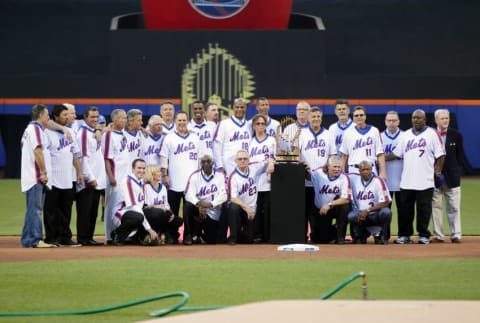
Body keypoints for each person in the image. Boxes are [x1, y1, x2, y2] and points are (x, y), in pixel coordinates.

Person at [391, 109, 445, 244]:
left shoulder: (432, 134)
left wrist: (438, 171)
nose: (416, 120)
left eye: (419, 118)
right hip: (407, 180)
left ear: (425, 119)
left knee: (424, 210)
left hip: (425, 180)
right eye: (414, 118)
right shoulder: (405, 135)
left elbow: (441, 154)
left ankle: (423, 235)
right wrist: (379, 157)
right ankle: (404, 235)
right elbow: (397, 153)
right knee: (405, 211)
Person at [43, 104, 83, 247]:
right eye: (64, 115)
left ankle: (65, 237)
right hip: (53, 177)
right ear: (56, 117)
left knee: (65, 210)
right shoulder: (47, 131)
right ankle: (51, 238)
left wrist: (79, 172)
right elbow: (47, 123)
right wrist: (62, 128)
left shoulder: (71, 132)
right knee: (51, 210)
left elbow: (76, 154)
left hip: (67, 177)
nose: (67, 118)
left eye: (68, 115)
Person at [160, 110, 201, 244]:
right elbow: (164, 159)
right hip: (174, 181)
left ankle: (189, 235)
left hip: (192, 182)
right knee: (173, 210)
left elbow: (200, 159)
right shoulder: (169, 138)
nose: (182, 123)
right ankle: (172, 235)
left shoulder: (195, 137)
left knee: (190, 211)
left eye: (184, 120)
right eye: (179, 120)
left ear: (188, 122)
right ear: (175, 122)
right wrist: (165, 175)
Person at [20, 104, 56, 248]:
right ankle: (35, 239)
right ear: (40, 115)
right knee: (35, 209)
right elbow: (37, 151)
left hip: (31, 175)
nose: (48, 117)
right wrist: (43, 172)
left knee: (32, 209)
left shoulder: (31, 129)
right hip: (35, 176)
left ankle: (27, 239)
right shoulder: (35, 129)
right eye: (47, 114)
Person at [298, 107, 336, 242]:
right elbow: (296, 154)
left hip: (322, 180)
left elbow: (332, 156)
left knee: (317, 211)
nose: (315, 119)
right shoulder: (301, 134)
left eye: (318, 117)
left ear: (321, 118)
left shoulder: (328, 135)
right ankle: (301, 236)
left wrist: (328, 166)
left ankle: (316, 236)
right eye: (313, 117)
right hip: (305, 178)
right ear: (308, 118)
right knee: (304, 210)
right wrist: (303, 165)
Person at [227, 150, 275, 245]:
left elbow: (269, 159)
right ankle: (233, 236)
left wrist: (271, 163)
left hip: (252, 211)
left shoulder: (254, 167)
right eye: (240, 159)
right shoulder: (233, 176)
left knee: (249, 240)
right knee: (233, 207)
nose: (242, 161)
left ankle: (240, 234)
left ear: (249, 160)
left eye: (245, 159)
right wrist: (246, 207)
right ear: (236, 161)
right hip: (241, 209)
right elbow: (233, 198)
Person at [431, 108, 464, 243]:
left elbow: (459, 156)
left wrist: (457, 172)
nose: (445, 120)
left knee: (454, 207)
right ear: (436, 120)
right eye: (442, 118)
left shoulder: (456, 135)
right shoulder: (430, 134)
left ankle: (456, 234)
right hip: (434, 177)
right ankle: (439, 235)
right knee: (435, 207)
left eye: (447, 118)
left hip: (452, 177)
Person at [75, 106, 106, 245]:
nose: (95, 119)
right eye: (92, 117)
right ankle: (83, 238)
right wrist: (90, 177)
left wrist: (99, 129)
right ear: (85, 118)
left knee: (93, 211)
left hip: (97, 179)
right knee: (85, 211)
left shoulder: (93, 131)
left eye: (96, 117)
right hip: (88, 180)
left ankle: (89, 237)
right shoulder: (83, 133)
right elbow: (83, 158)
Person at [110, 159, 159, 245]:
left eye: (143, 168)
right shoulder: (128, 181)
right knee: (138, 216)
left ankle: (137, 237)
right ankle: (117, 234)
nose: (141, 170)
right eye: (139, 168)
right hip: (121, 213)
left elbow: (141, 206)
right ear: (132, 169)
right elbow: (134, 206)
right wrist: (149, 229)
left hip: (133, 212)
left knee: (155, 213)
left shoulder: (140, 182)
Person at [184, 154, 228, 244]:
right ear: (200, 164)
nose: (206, 164)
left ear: (213, 163)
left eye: (208, 162)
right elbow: (188, 195)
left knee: (212, 240)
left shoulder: (220, 176)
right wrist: (199, 204)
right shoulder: (194, 176)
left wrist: (209, 204)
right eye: (203, 162)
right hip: (199, 209)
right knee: (187, 206)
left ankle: (198, 235)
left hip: (213, 212)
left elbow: (224, 195)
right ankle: (188, 235)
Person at [101, 109, 130, 242]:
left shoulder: (123, 134)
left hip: (124, 177)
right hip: (115, 177)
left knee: (121, 206)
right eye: (123, 118)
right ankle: (109, 235)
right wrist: (111, 176)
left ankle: (119, 233)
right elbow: (107, 158)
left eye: (126, 118)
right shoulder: (108, 135)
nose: (125, 120)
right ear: (115, 120)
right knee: (111, 206)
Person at [309, 155, 351, 244]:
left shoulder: (344, 177)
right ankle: (333, 230)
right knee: (321, 240)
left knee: (345, 206)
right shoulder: (318, 173)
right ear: (328, 166)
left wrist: (329, 204)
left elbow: (346, 199)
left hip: (334, 207)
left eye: (339, 167)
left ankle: (340, 237)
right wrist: (304, 167)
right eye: (334, 167)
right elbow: (307, 176)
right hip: (321, 211)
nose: (337, 169)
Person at [347, 161, 392, 244]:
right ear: (359, 171)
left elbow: (386, 202)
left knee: (386, 212)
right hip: (360, 216)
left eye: (367, 169)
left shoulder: (378, 181)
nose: (365, 172)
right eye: (363, 170)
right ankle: (360, 236)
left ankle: (382, 236)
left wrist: (368, 210)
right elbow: (340, 175)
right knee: (351, 216)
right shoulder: (353, 179)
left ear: (371, 170)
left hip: (375, 214)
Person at [248, 114, 277, 243]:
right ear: (254, 126)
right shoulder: (250, 142)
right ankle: (257, 235)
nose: (260, 126)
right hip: (254, 181)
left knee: (269, 209)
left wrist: (272, 162)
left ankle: (269, 235)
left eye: (262, 123)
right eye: (258, 124)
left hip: (269, 180)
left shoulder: (271, 140)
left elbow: (277, 157)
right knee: (257, 209)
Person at [340, 106, 386, 180]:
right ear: (353, 118)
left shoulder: (374, 131)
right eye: (356, 115)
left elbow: (380, 154)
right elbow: (344, 156)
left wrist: (383, 172)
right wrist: (342, 172)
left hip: (370, 169)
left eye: (361, 115)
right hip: (354, 170)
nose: (359, 117)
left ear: (365, 116)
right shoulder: (348, 133)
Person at [143, 164, 183, 244]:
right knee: (159, 214)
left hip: (163, 213)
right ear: (151, 174)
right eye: (158, 171)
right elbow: (145, 206)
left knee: (178, 220)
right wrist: (158, 207)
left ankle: (166, 235)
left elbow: (166, 204)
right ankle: (152, 235)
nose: (160, 173)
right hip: (151, 215)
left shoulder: (163, 187)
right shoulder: (146, 187)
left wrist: (171, 212)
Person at [213, 97, 252, 177]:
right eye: (237, 107)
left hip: (245, 167)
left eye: (242, 107)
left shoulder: (250, 126)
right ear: (233, 108)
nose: (239, 109)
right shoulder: (224, 124)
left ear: (246, 108)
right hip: (228, 167)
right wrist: (220, 166)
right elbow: (217, 146)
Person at [381, 111, 404, 217]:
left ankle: (404, 234)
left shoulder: (405, 136)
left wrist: (381, 158)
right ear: (385, 122)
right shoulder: (379, 137)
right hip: (385, 180)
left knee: (403, 211)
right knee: (384, 212)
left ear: (398, 122)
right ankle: (384, 234)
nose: (391, 123)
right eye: (389, 120)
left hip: (402, 180)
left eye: (394, 120)